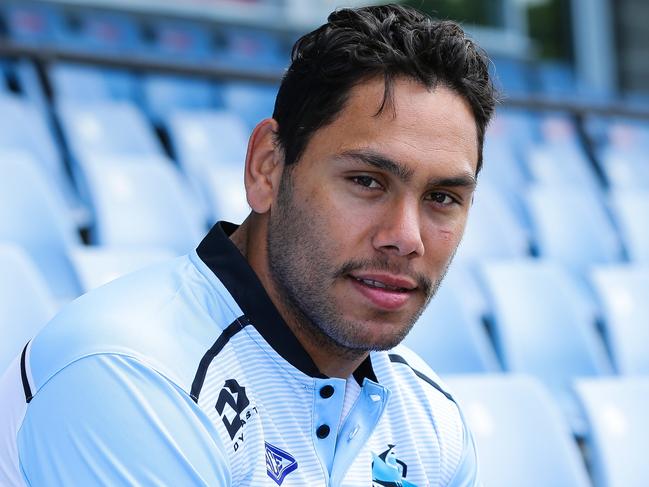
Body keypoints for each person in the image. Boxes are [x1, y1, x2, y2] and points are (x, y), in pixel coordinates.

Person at [0, 4, 495, 486]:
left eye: (442, 197)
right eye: (367, 181)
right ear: (267, 167)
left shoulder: (430, 419)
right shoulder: (129, 374)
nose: (406, 237)